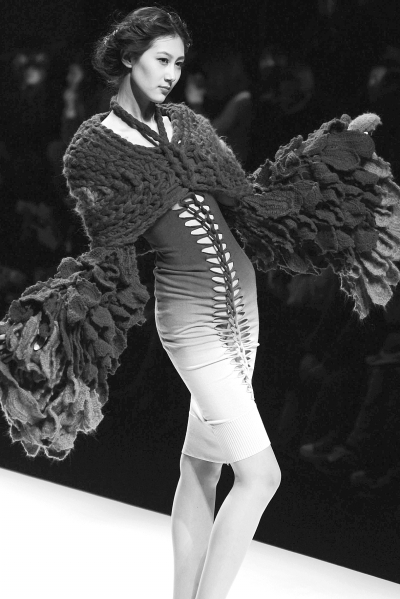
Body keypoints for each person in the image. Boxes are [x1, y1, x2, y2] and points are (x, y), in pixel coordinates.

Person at [0, 6, 400, 599]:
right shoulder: (93, 147)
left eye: (179, 63)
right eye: (161, 60)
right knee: (261, 476)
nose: (172, 74)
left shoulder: (188, 125)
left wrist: (328, 154)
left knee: (201, 465)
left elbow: (250, 200)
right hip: (191, 320)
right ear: (128, 57)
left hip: (245, 311)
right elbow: (112, 245)